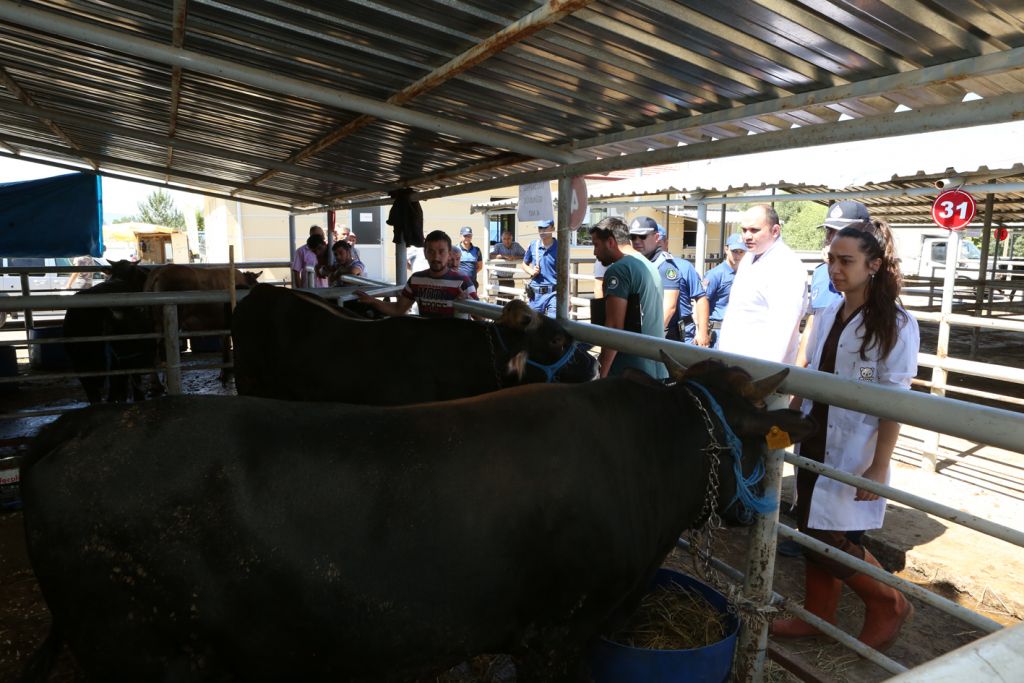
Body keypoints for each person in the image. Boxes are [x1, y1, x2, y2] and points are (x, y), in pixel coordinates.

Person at [772, 223, 918, 652]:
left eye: (846, 261)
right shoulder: (829, 312)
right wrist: (784, 430)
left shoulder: (895, 324)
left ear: (873, 265)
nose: (835, 269)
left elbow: (894, 400)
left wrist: (878, 466)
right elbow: (811, 376)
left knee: (834, 536)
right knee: (811, 527)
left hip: (856, 447)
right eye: (831, 260)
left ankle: (888, 602)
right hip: (815, 436)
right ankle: (818, 617)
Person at [718, 204, 807, 364]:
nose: (747, 236)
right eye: (744, 230)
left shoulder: (786, 264)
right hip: (734, 363)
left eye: (754, 230)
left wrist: (763, 375)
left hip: (759, 370)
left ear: (775, 231)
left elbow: (782, 327)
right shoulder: (749, 257)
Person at [589, 217, 667, 379]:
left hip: (630, 373)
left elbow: (614, 327)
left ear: (610, 242)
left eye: (596, 245)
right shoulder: (647, 264)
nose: (595, 252)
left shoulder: (619, 270)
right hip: (655, 367)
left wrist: (600, 374)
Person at [797, 200, 871, 367]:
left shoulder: (872, 277)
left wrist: (862, 388)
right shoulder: (821, 272)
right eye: (830, 232)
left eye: (843, 232)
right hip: (818, 373)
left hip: (853, 377)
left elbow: (873, 368)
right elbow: (812, 323)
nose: (833, 238)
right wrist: (798, 374)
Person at [356, 230, 477, 318]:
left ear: (449, 253)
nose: (436, 257)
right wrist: (372, 300)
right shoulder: (416, 279)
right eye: (431, 251)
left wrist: (469, 304)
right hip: (424, 343)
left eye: (441, 251)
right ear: (424, 253)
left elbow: (481, 318)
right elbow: (398, 309)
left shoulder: (463, 282)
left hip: (454, 345)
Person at [628, 216, 709, 345]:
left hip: (676, 332)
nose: (638, 241)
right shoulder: (640, 264)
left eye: (643, 237)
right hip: (652, 330)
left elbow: (698, 299)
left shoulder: (676, 266)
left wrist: (703, 332)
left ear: (661, 240)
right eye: (633, 237)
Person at [702, 233, 747, 348]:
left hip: (739, 330)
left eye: (741, 252)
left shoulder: (746, 274)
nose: (738, 255)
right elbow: (702, 302)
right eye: (734, 251)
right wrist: (702, 332)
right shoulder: (715, 274)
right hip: (718, 331)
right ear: (726, 249)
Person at [521, 220, 558, 318]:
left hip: (553, 293)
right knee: (534, 326)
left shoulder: (560, 247)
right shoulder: (534, 245)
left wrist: (568, 298)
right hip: (536, 294)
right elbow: (524, 264)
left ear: (553, 229)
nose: (542, 231)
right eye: (540, 228)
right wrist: (531, 271)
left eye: (545, 228)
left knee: (552, 324)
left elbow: (565, 274)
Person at [489, 230, 525, 302]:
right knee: (499, 299)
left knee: (510, 299)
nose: (506, 241)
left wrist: (515, 257)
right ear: (501, 239)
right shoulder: (498, 246)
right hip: (497, 277)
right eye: (504, 239)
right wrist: (504, 256)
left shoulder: (516, 245)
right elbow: (490, 255)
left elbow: (526, 255)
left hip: (509, 277)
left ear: (512, 239)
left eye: (508, 238)